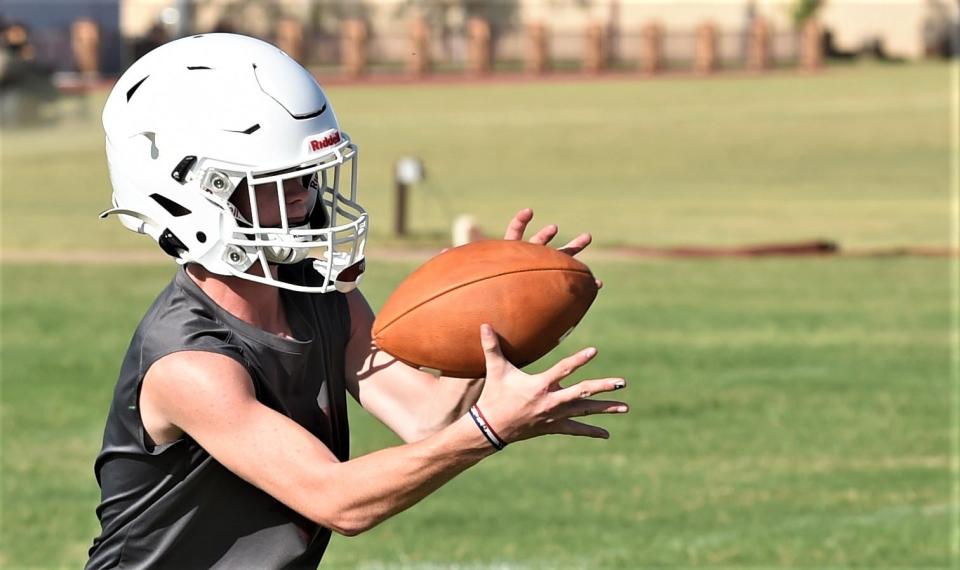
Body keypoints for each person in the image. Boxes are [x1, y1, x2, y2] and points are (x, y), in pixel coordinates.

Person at [87, 33, 628, 569]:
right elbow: (337, 499)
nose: (304, 196)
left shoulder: (320, 298)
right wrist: (491, 429)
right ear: (189, 196)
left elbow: (426, 419)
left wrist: (494, 311)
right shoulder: (188, 363)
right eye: (273, 182)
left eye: (306, 176)